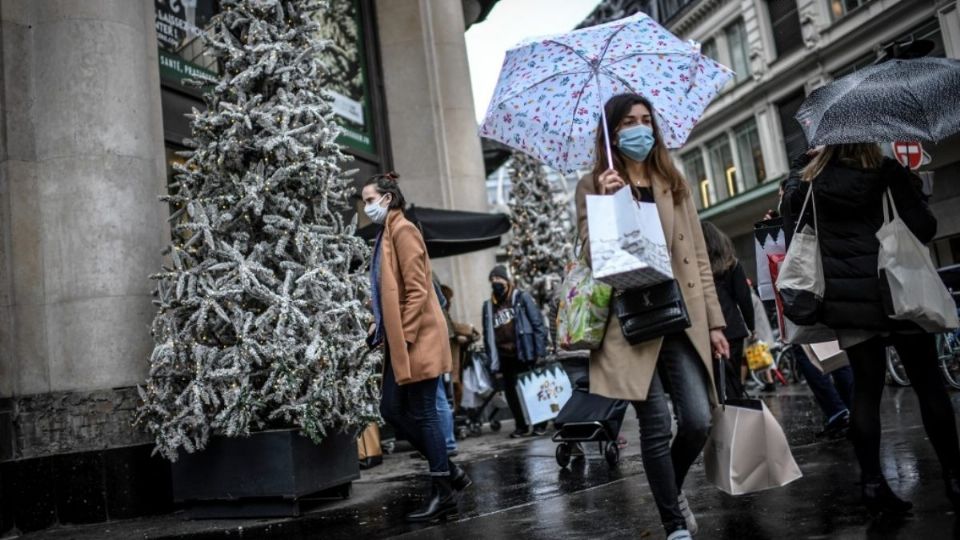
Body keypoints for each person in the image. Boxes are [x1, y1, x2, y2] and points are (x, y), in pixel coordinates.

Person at [575, 93, 729, 540]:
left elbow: (699, 256)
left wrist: (716, 322)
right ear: (612, 131)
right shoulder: (593, 184)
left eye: (646, 120)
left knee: (698, 419)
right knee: (656, 424)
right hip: (631, 321)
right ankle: (673, 522)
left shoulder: (671, 179)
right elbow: (591, 256)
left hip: (680, 314)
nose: (640, 129)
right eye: (628, 122)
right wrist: (607, 204)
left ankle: (670, 489)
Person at [782, 144, 960, 514]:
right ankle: (955, 476)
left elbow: (790, 223)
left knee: (865, 391)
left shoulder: (811, 183)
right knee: (928, 385)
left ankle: (873, 485)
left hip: (850, 303)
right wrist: (910, 186)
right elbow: (925, 229)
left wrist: (803, 162)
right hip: (899, 293)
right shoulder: (888, 172)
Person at [363, 172, 471, 522]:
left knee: (424, 413)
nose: (366, 207)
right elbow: (389, 295)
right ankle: (450, 471)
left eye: (369, 199)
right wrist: (378, 326)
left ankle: (444, 493)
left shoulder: (404, 231)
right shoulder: (386, 234)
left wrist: (404, 336)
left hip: (417, 336)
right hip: (401, 338)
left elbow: (417, 291)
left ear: (388, 199)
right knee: (391, 409)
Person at [482, 265, 549, 438]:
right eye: (493, 280)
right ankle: (521, 425)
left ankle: (540, 424)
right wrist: (492, 361)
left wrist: (540, 352)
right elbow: (487, 335)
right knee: (511, 393)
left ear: (507, 280)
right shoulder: (489, 306)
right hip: (504, 355)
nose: (496, 283)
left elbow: (538, 324)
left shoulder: (521, 297)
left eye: (499, 279)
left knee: (532, 388)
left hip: (524, 351)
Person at [701, 222, 754, 398]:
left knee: (714, 381)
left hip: (707, 329)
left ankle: (721, 417)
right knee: (733, 379)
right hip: (733, 328)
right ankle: (737, 414)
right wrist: (751, 325)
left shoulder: (698, 270)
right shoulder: (732, 264)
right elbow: (744, 297)